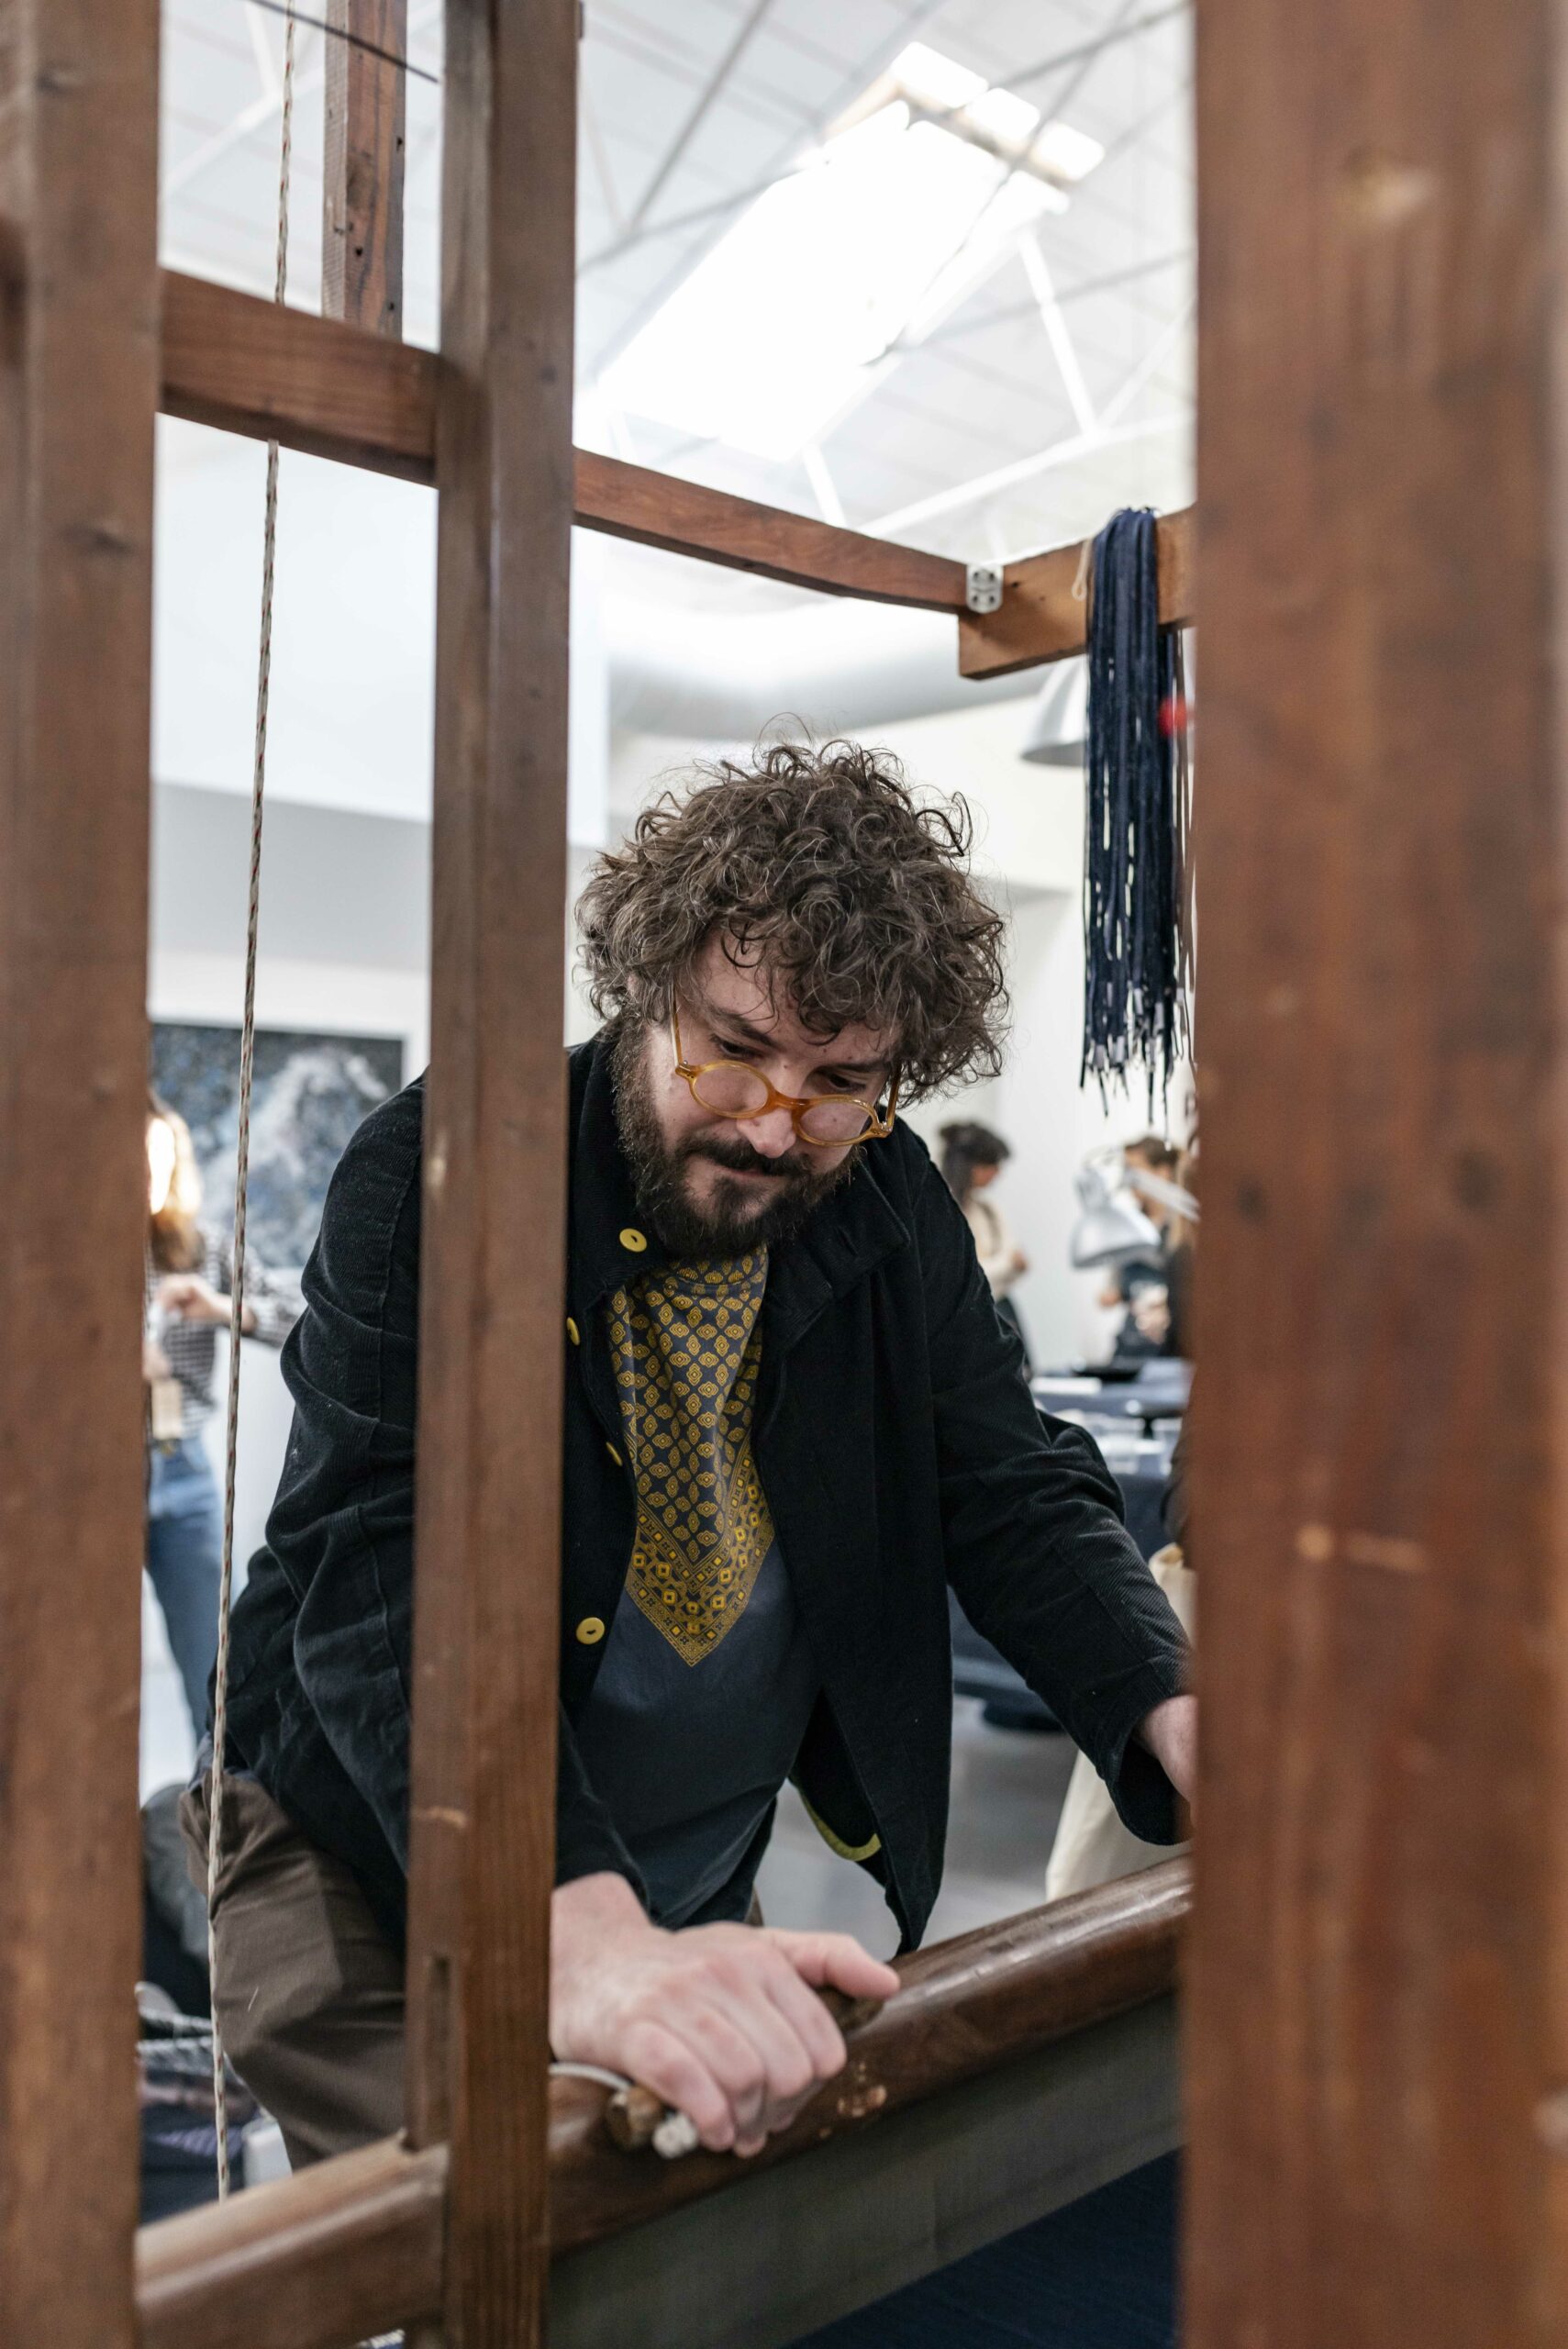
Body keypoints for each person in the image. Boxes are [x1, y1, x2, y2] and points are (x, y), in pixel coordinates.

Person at [184, 741, 1195, 2171]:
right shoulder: (444, 1171)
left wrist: (1168, 1702)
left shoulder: (888, 1196)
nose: (774, 1125)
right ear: (647, 985)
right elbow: (384, 1576)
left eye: (839, 1083)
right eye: (734, 1049)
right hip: (376, 1842)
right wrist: (576, 1928)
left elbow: (1006, 1484)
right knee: (495, 2224)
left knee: (692, 2213)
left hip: (676, 1862)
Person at [143, 1092, 299, 1737]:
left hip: (183, 1467)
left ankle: (211, 1791)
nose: (144, 1172)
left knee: (216, 1665)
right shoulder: (58, 1255)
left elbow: (301, 1320)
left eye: (156, 1156)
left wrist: (222, 1309)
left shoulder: (203, 1250)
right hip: (83, 1474)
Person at [939, 1119, 1032, 1367]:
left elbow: (1014, 1264)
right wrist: (1006, 1263)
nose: (997, 1173)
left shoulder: (988, 1210)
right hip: (964, 1319)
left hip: (1000, 1310)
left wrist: (999, 1266)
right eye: (992, 1165)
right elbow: (961, 1276)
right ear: (971, 1166)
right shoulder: (941, 1211)